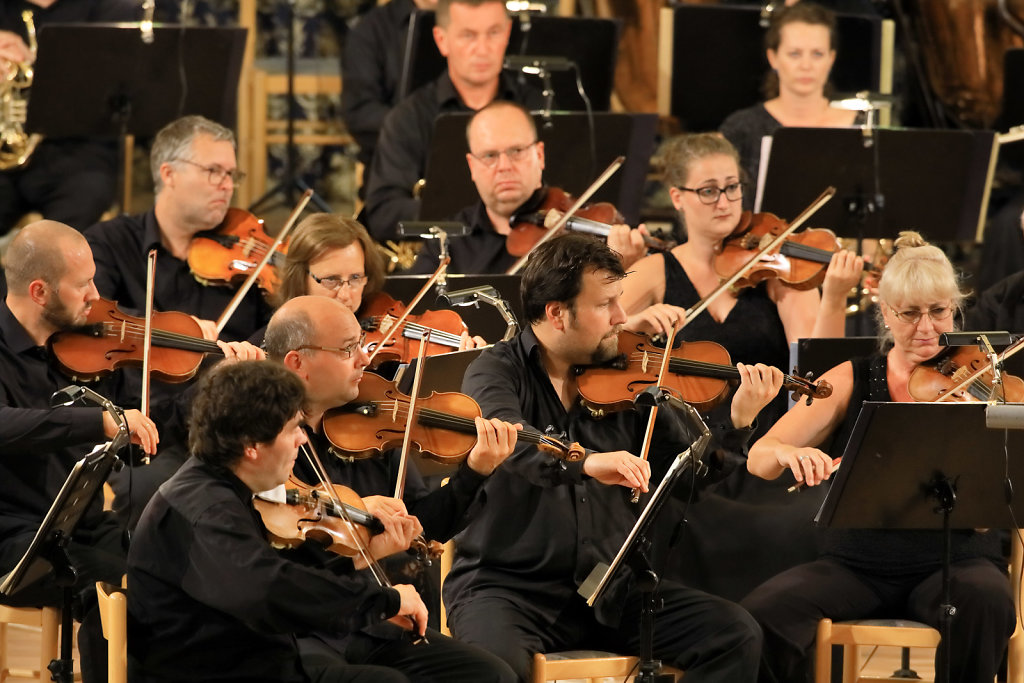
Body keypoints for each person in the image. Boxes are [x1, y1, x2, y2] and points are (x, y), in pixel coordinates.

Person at [444, 232, 786, 682]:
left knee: (735, 633)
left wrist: (738, 424)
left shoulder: (631, 379)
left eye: (619, 301)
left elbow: (681, 480)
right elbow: (513, 441)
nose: (623, 318)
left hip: (607, 587)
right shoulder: (495, 369)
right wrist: (584, 462)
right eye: (606, 305)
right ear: (556, 314)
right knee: (496, 672)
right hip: (507, 588)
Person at [743, 230, 1015, 683]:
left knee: (987, 601)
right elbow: (760, 455)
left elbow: (1005, 487)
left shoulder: (981, 381)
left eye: (938, 312)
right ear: (885, 312)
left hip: (957, 563)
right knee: (764, 614)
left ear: (956, 308)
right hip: (857, 566)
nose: (926, 329)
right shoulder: (852, 377)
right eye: (909, 314)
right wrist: (791, 454)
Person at [127, 360, 461, 682]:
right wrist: (382, 602)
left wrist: (361, 559)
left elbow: (277, 580)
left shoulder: (218, 488)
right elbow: (271, 590)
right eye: (292, 430)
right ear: (252, 446)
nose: (302, 440)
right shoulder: (207, 509)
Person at [0, 220, 159, 683]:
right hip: (17, 537)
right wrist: (97, 421)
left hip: (79, 523)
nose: (95, 294)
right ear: (40, 291)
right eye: (82, 283)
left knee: (166, 565)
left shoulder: (79, 345)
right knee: (118, 587)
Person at [363, 0, 546, 243]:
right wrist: (474, 217)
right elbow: (384, 213)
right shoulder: (407, 118)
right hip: (446, 257)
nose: (483, 49)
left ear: (508, 33)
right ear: (441, 40)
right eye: (468, 36)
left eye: (493, 33)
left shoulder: (539, 109)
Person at [84, 115, 272, 344]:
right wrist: (171, 329)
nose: (228, 185)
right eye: (214, 171)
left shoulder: (248, 255)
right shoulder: (109, 242)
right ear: (169, 174)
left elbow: (276, 329)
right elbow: (89, 312)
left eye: (231, 174)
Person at [408, 101, 649, 275]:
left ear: (540, 155)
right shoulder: (448, 241)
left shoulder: (577, 233)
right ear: (472, 165)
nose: (504, 166)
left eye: (516, 151)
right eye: (490, 155)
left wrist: (622, 270)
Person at [0, 0, 136, 235]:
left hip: (79, 154)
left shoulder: (108, 9)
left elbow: (121, 85)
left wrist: (35, 64)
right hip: (5, 156)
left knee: (72, 223)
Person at [266, 212, 485, 352]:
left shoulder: (380, 331)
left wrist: (461, 354)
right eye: (331, 280)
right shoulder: (271, 343)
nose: (345, 295)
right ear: (300, 278)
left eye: (354, 278)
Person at [719, 2, 862, 205]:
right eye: (794, 54)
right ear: (773, 57)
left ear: (831, 59)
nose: (806, 65)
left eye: (817, 54)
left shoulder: (861, 128)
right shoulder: (741, 128)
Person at [341, 0, 438, 197]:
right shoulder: (371, 30)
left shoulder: (475, 22)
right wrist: (419, 131)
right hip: (395, 173)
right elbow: (360, 114)